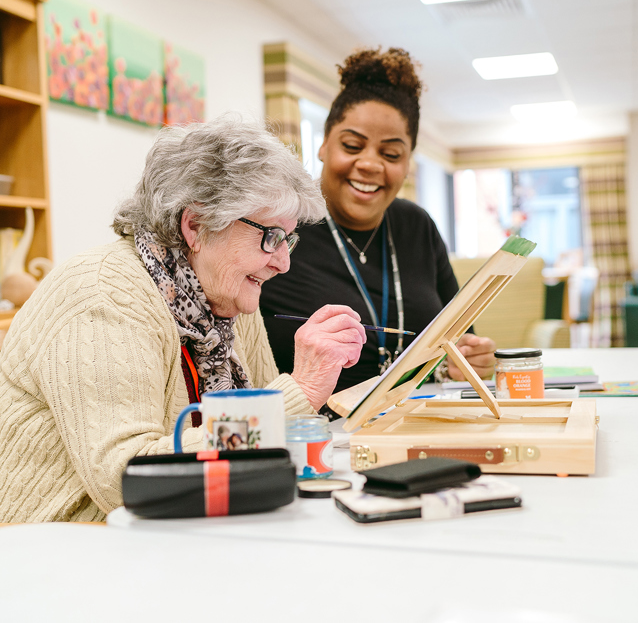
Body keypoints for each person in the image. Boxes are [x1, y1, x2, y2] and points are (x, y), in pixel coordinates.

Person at [0, 114, 366, 523]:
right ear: (195, 225)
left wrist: (309, 396)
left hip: (176, 528)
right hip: (62, 549)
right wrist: (299, 391)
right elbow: (126, 479)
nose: (283, 262)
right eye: (271, 237)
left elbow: (271, 449)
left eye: (289, 239)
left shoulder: (226, 296)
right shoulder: (102, 291)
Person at [261, 48, 496, 396]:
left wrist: (469, 361)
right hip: (314, 431)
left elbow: (461, 337)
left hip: (416, 422)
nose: (370, 164)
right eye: (353, 146)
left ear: (407, 162)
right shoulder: (277, 225)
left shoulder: (417, 226)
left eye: (391, 154)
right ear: (324, 145)